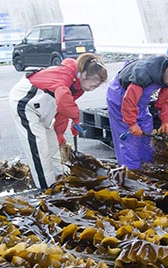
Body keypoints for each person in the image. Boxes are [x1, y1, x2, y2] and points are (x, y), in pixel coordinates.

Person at [9, 53, 108, 191]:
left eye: (95, 87)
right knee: (39, 148)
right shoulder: (65, 74)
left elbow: (61, 111)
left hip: (44, 107)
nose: (92, 89)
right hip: (25, 102)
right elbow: (63, 101)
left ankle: (61, 179)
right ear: (84, 74)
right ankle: (46, 189)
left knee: (53, 145)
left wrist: (59, 133)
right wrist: (75, 118)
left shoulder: (79, 86)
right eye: (93, 84)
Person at [107, 55, 168, 169]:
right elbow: (129, 101)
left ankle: (147, 168)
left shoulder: (167, 78)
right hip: (120, 96)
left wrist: (165, 121)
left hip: (140, 100)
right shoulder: (144, 73)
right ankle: (131, 174)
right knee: (130, 142)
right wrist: (131, 123)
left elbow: (165, 101)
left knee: (146, 131)